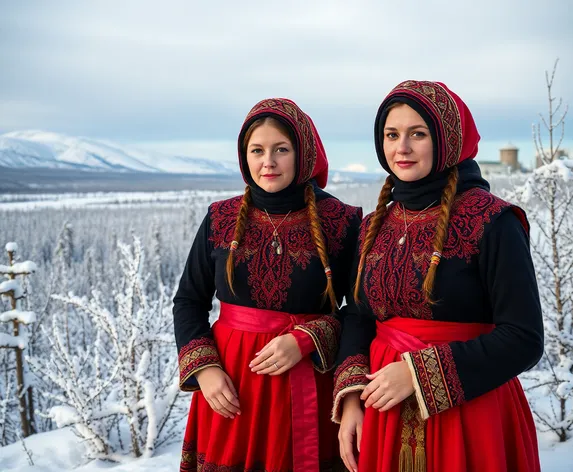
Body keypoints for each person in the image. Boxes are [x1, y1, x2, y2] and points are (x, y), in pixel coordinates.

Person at [333, 80, 543, 472]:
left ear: (447, 139)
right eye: (391, 135)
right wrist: (351, 399)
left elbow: (524, 338)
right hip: (382, 411)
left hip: (472, 417)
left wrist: (417, 374)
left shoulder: (493, 221)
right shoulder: (373, 225)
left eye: (418, 134)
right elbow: (359, 316)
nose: (402, 148)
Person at [174, 97, 362, 472]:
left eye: (281, 149)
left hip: (311, 381)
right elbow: (188, 301)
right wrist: (205, 370)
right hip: (232, 388)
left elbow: (361, 311)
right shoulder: (220, 218)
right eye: (256, 150)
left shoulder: (341, 221)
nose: (268, 162)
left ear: (303, 153)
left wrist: (308, 338)